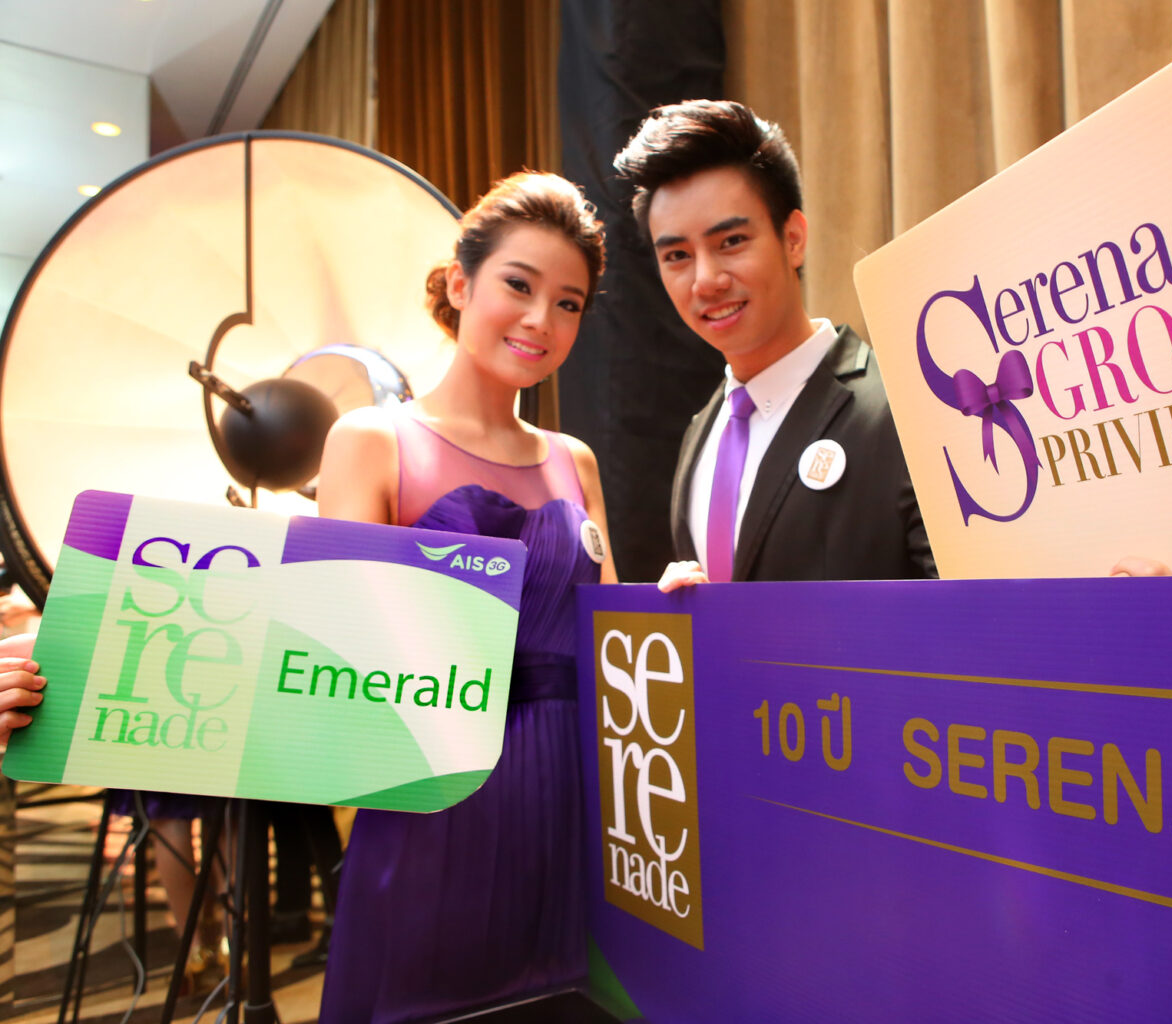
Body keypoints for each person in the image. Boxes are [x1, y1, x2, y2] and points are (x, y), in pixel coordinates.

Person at [315, 171, 615, 1022]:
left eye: (568, 304)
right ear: (460, 283)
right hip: (432, 809)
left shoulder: (575, 461)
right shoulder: (373, 441)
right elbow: (340, 658)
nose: (541, 319)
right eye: (519, 285)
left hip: (571, 809)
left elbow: (611, 644)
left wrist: (667, 605)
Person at [613, 99, 936, 588]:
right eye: (677, 255)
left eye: (731, 242)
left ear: (793, 238)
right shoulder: (702, 431)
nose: (706, 280)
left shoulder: (904, 408)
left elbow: (968, 607)